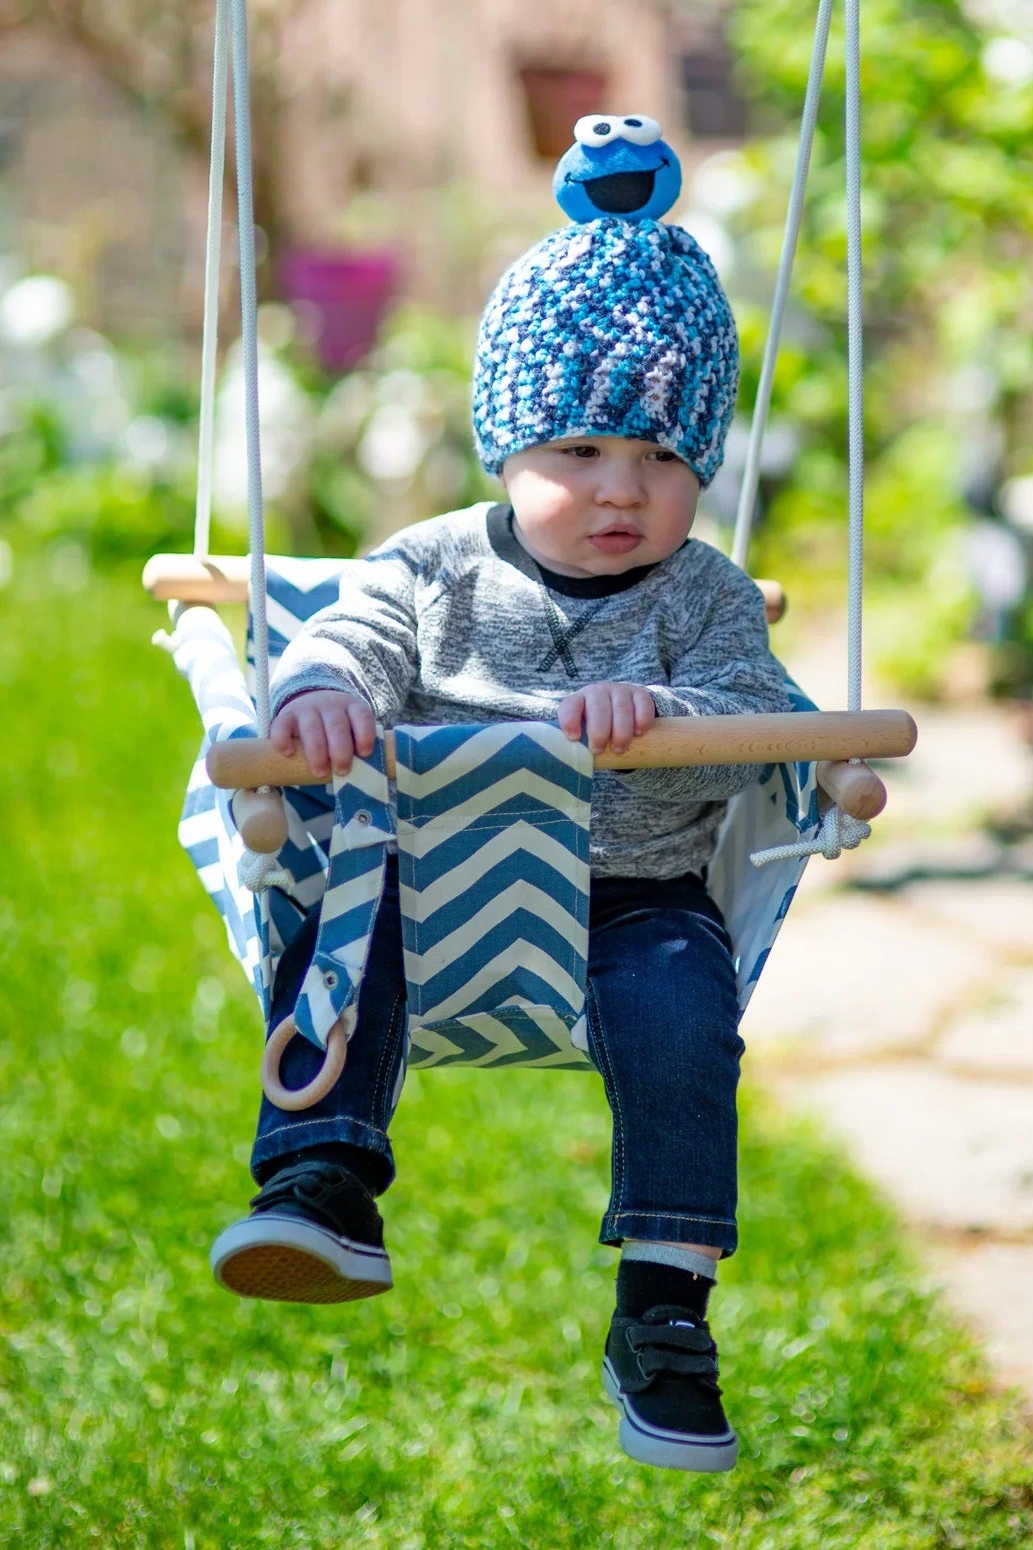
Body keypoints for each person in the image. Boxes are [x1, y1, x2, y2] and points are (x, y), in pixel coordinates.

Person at [210, 154, 793, 1475]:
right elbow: (349, 638)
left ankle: (664, 1308)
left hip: (634, 897)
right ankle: (320, 1182)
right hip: (429, 876)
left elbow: (758, 705)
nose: (620, 488)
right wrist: (320, 693)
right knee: (338, 946)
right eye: (579, 450)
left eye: (662, 456)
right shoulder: (430, 564)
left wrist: (667, 707)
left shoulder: (705, 594)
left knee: (685, 1017)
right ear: (508, 449)